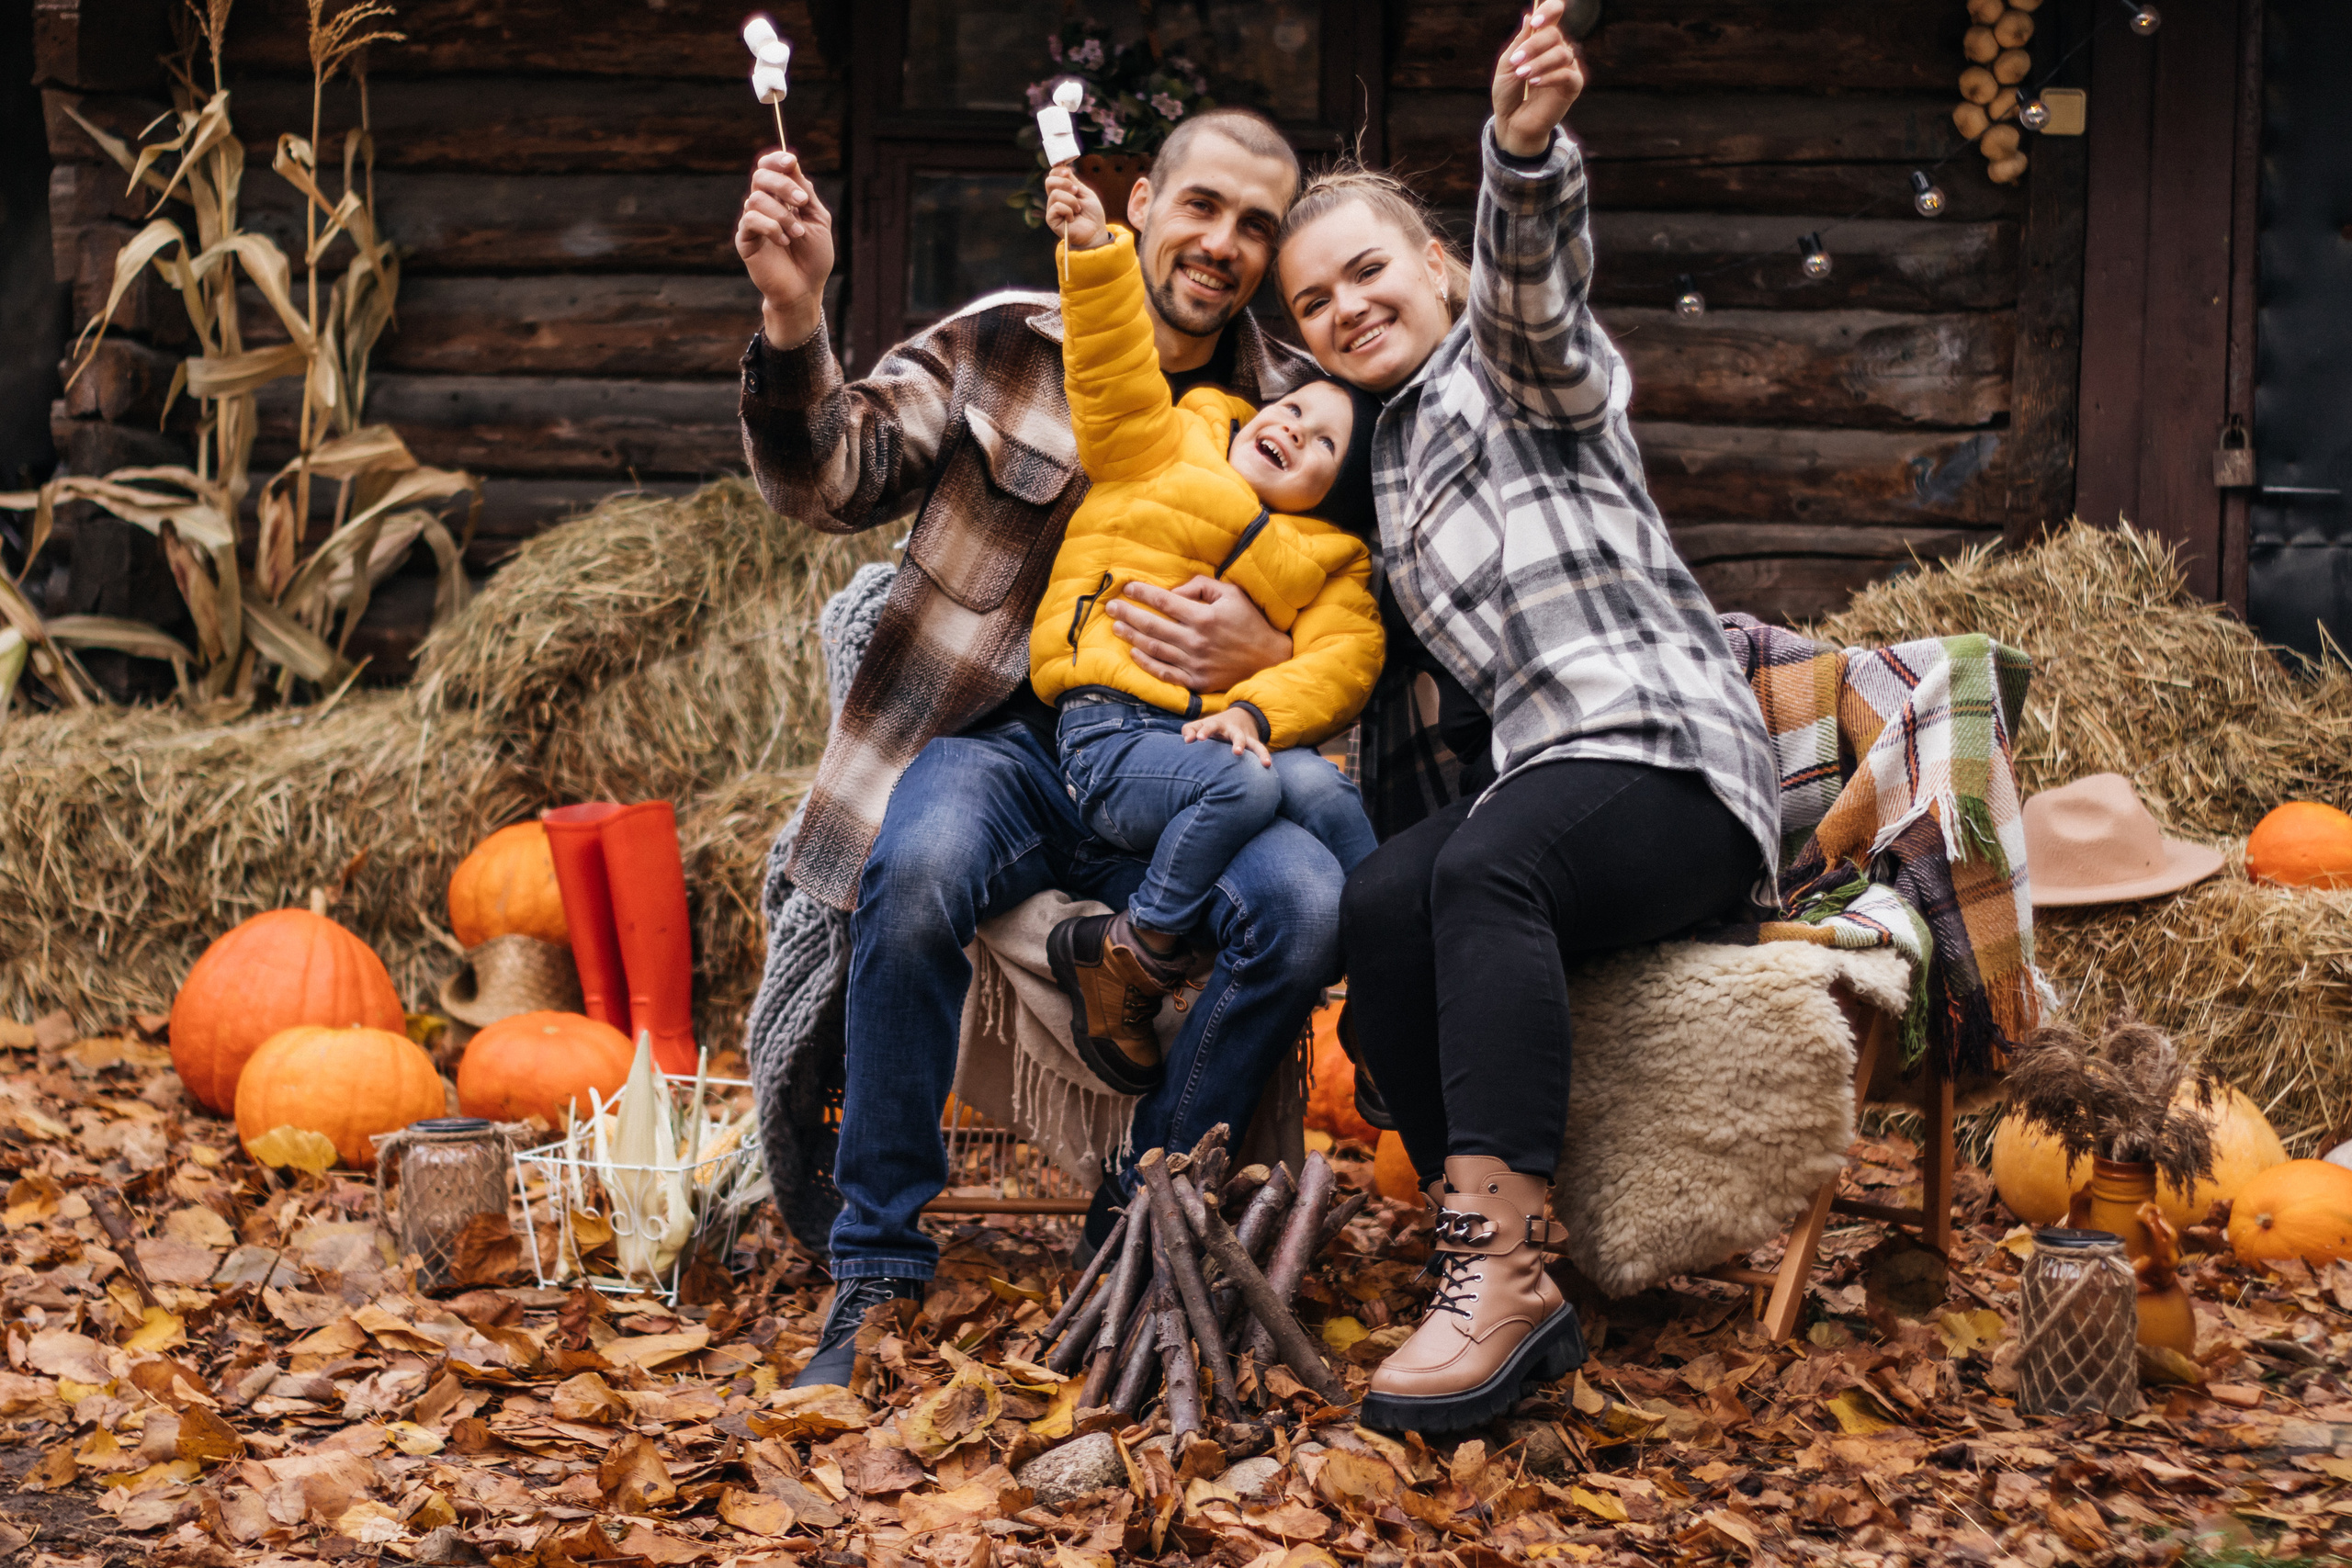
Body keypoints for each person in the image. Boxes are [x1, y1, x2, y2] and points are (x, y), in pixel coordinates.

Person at [734, 107, 1344, 1390]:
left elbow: (1356, 618)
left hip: (1182, 780)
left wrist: (1259, 658)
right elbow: (829, 477)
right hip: (998, 745)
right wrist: (797, 320)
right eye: (1202, 205)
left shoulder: (1300, 412)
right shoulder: (1012, 339)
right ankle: (878, 1272)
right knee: (918, 866)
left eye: (1256, 225)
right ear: (1141, 205)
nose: (1222, 243)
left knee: (1300, 905)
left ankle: (1138, 1233)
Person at [1272, 1, 1782, 1432]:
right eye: (1314, 303)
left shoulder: (1512, 373)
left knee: (1483, 863)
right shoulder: (1385, 466)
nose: (1347, 308)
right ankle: (1489, 1265)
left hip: (1669, 757)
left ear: (1436, 265)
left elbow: (1537, 298)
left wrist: (1519, 150)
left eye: (1368, 271)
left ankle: (1498, 1280)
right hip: (1554, 782)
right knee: (1382, 895)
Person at [1031, 162, 1383, 1097]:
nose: (1294, 430)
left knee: (1328, 796)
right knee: (1244, 787)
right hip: (1112, 734)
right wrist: (1094, 255)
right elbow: (1107, 374)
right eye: (1296, 409)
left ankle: (1388, 1000)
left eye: (1321, 448)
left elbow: (1343, 665)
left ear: (1335, 499)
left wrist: (1261, 711)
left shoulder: (1333, 561)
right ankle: (1133, 954)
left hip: (1227, 739)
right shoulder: (1171, 438)